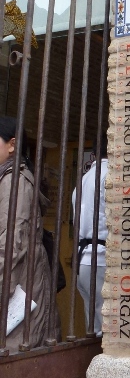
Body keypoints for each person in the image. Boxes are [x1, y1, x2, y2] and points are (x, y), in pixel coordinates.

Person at [0, 116, 60, 350]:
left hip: (19, 284)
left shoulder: (14, 182)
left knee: (17, 352)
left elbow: (11, 243)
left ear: (12, 145)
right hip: (19, 281)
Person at [72, 136, 108, 336]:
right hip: (101, 258)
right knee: (107, 326)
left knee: (92, 327)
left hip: (82, 260)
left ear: (94, 155)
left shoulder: (83, 180)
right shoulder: (111, 176)